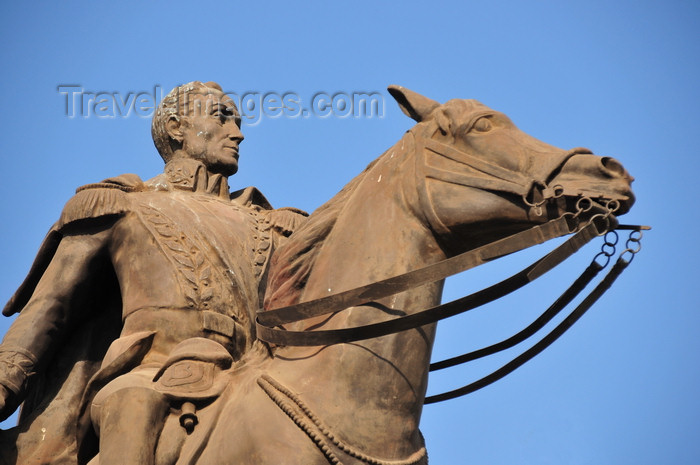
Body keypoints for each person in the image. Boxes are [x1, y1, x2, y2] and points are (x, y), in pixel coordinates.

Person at [0, 81, 306, 465]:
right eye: (222, 117)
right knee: (132, 404)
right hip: (153, 374)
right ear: (177, 128)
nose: (238, 133)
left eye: (239, 122)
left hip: (252, 375)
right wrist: (4, 382)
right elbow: (51, 307)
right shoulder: (122, 205)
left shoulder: (277, 227)